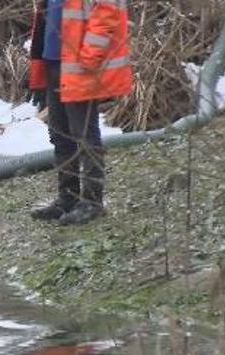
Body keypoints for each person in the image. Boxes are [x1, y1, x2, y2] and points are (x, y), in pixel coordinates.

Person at [28, 0, 132, 225]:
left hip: (78, 66)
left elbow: (107, 12)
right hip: (55, 61)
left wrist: (89, 56)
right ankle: (68, 198)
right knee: (60, 135)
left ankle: (92, 202)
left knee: (84, 136)